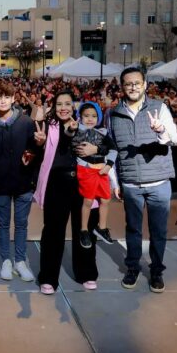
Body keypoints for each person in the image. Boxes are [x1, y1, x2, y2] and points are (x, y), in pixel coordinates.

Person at [106, 68, 177, 293]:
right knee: (133, 229)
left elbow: (174, 139)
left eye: (137, 83)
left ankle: (156, 270)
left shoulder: (159, 107)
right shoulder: (113, 114)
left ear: (145, 84)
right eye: (128, 84)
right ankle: (133, 268)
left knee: (158, 231)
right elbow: (112, 148)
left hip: (158, 182)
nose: (133, 87)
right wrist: (115, 182)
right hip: (130, 183)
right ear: (122, 87)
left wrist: (160, 131)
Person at [34, 91, 100, 294]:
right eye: (59, 104)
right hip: (56, 184)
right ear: (54, 106)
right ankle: (48, 277)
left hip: (83, 183)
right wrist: (39, 143)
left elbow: (103, 147)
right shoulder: (48, 125)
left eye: (68, 104)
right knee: (53, 231)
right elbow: (37, 153)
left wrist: (95, 150)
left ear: (74, 107)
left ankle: (86, 273)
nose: (63, 107)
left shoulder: (85, 126)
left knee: (84, 230)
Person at [0, 80, 39, 282]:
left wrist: (36, 148)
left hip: (23, 183)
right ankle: (6, 259)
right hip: (0, 185)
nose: (3, 101)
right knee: (3, 224)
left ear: (14, 98)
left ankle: (20, 261)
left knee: (21, 224)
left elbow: (35, 151)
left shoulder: (25, 123)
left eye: (6, 97)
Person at [72, 101, 118, 248]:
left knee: (105, 199)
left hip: (102, 170)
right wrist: (70, 129)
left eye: (93, 115)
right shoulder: (77, 129)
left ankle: (102, 228)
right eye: (86, 116)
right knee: (88, 201)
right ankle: (84, 230)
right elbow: (69, 136)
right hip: (86, 170)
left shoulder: (103, 132)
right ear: (80, 117)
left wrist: (109, 165)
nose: (90, 119)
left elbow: (114, 149)